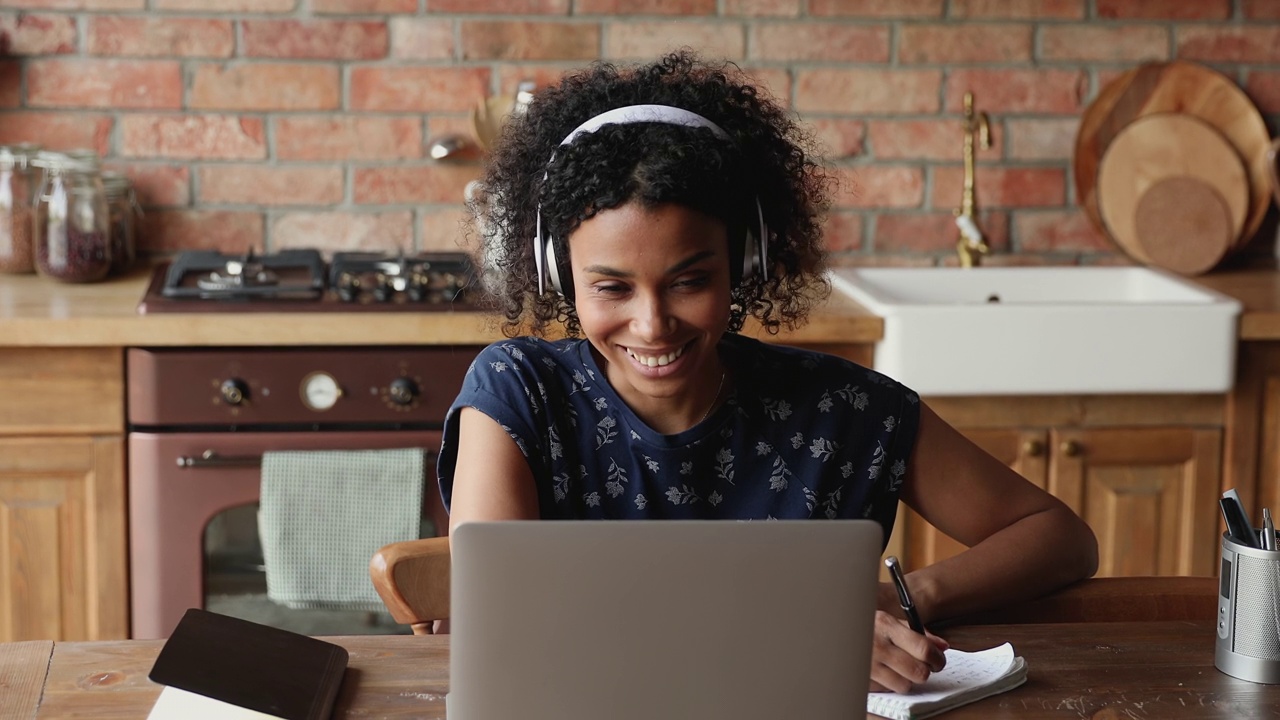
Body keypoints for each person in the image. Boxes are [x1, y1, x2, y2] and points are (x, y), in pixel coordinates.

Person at [439, 49, 1098, 693]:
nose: (652, 323)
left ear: (744, 263)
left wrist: (904, 596)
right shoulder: (517, 393)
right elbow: (501, 613)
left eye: (689, 281)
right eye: (612, 289)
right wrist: (799, 629)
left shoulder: (844, 408)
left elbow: (1059, 538)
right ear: (562, 278)